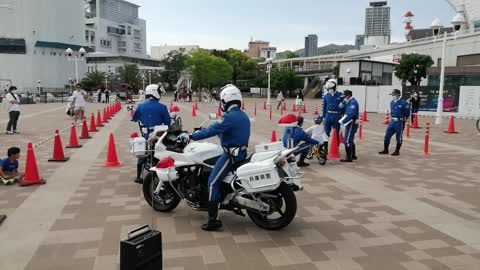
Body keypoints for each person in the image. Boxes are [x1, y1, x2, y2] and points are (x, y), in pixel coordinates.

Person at [190, 84, 250, 231]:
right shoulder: (242, 115)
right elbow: (226, 131)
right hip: (241, 152)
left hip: (231, 156)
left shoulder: (228, 117)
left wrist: (191, 135)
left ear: (225, 100)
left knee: (212, 182)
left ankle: (213, 220)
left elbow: (211, 130)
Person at [131, 84, 171, 184]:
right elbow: (167, 122)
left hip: (146, 134)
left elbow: (135, 118)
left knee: (142, 152)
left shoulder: (141, 106)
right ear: (155, 93)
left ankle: (139, 177)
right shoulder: (162, 107)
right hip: (158, 134)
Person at [379, 89, 411, 156]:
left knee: (398, 137)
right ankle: (385, 150)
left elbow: (407, 113)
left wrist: (402, 118)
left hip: (400, 122)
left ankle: (397, 151)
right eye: (392, 95)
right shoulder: (392, 102)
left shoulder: (404, 103)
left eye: (393, 95)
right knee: (387, 135)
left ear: (398, 95)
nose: (392, 96)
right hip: (392, 121)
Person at [338, 90, 359, 162]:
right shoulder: (348, 102)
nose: (344, 98)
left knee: (346, 140)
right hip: (349, 123)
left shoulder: (353, 102)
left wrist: (341, 121)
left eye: (345, 96)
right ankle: (353, 155)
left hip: (351, 123)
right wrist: (343, 103)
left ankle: (348, 158)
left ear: (348, 95)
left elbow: (351, 114)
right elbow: (340, 108)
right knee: (350, 139)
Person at [322, 79, 343, 144]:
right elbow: (324, 107)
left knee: (336, 132)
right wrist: (323, 117)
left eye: (331, 88)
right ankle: (325, 148)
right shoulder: (326, 96)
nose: (330, 89)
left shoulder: (341, 95)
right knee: (325, 132)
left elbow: (344, 107)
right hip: (328, 115)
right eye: (329, 88)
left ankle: (336, 148)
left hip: (337, 116)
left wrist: (343, 117)